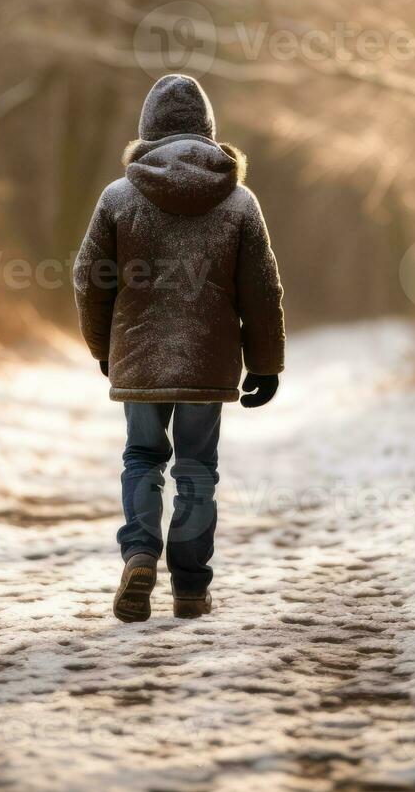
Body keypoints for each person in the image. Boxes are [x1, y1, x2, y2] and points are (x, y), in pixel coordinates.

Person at [73, 73, 286, 622]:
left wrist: (104, 347)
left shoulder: (118, 197)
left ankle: (141, 552)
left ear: (147, 130)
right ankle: (190, 588)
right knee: (197, 468)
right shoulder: (238, 201)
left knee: (142, 457)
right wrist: (265, 363)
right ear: (208, 130)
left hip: (139, 356)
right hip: (208, 361)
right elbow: (261, 286)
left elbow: (89, 278)